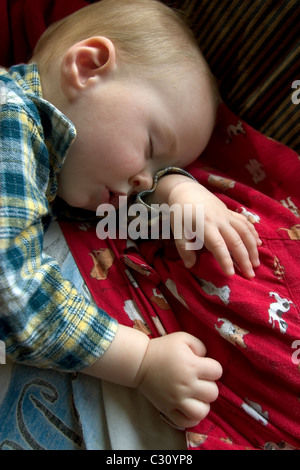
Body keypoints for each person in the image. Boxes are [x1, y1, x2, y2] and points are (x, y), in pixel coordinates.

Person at [0, 0, 260, 430]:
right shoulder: (10, 116)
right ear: (87, 68)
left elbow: (101, 212)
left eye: (157, 170)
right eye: (152, 149)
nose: (145, 180)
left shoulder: (62, 164)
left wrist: (177, 189)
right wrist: (139, 361)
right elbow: (14, 294)